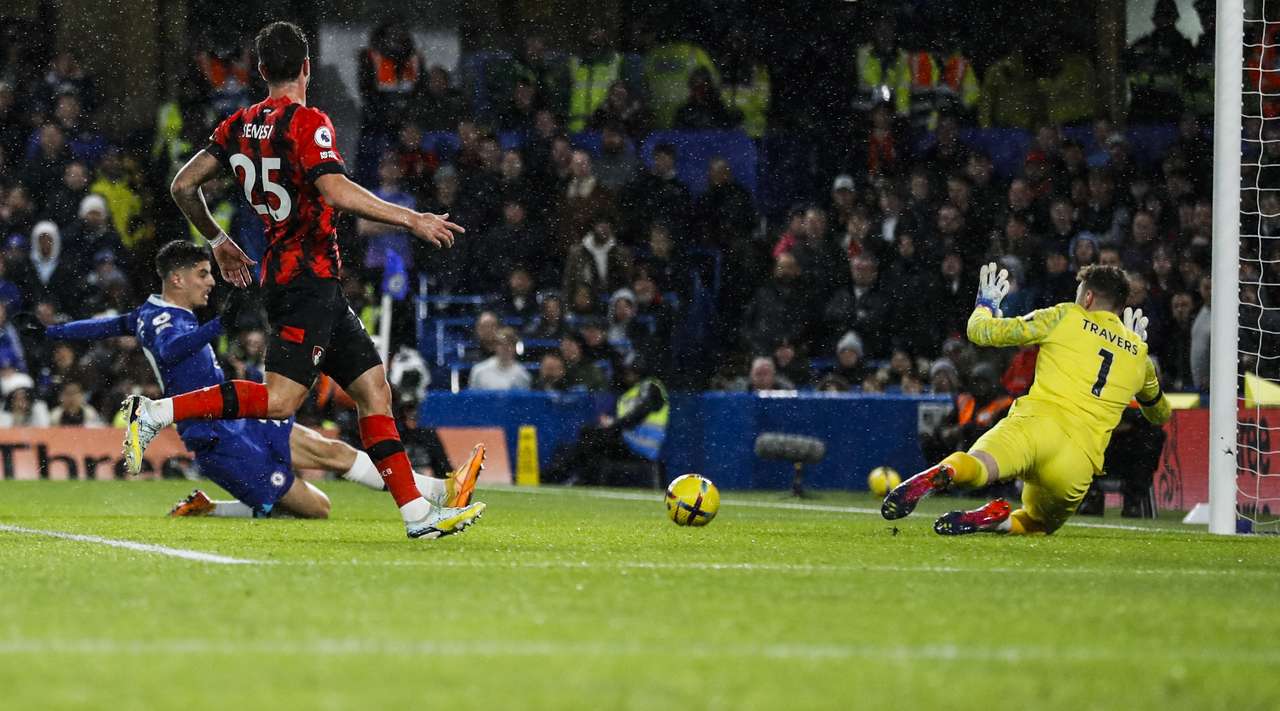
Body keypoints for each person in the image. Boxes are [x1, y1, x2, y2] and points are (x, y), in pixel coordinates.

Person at [120, 22, 484, 539]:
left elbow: (183, 185)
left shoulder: (239, 125)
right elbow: (334, 191)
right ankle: (157, 412)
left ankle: (418, 514)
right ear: (307, 68)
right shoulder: (307, 122)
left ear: (261, 70)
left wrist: (218, 239)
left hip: (313, 283)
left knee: (374, 390)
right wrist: (412, 218)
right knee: (280, 401)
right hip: (303, 279)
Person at [15, 241, 484, 519]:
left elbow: (100, 327)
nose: (210, 282)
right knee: (317, 508)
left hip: (239, 412)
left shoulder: (144, 314)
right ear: (177, 279)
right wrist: (221, 325)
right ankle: (212, 507)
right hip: (216, 438)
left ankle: (438, 490)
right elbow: (172, 350)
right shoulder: (163, 322)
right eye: (202, 275)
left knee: (332, 451)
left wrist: (53, 331)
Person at [881, 263, 1171, 535]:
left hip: (1035, 426)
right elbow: (1160, 414)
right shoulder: (1139, 355)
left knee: (979, 466)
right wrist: (1133, 349)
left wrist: (985, 306)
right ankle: (998, 520)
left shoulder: (1066, 316)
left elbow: (980, 332)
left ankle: (945, 471)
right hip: (1077, 461)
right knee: (1038, 522)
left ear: (1088, 297)